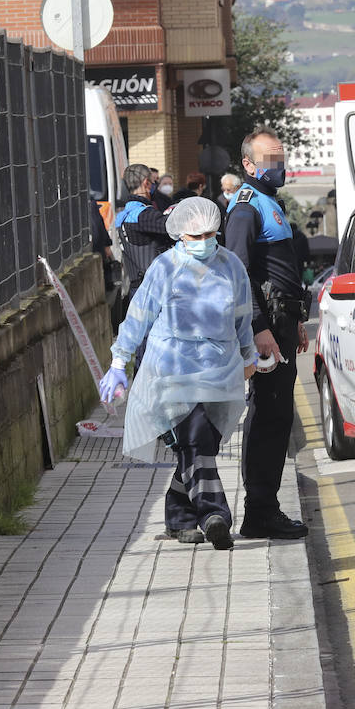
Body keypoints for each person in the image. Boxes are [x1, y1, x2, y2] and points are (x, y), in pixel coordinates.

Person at [99, 198, 257, 549]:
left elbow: (242, 316)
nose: (204, 241)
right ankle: (215, 515)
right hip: (170, 369)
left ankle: (179, 519)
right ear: (180, 234)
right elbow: (139, 315)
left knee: (200, 444)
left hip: (218, 369)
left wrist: (250, 354)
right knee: (196, 437)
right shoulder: (165, 268)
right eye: (196, 236)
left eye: (210, 234)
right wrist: (118, 361)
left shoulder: (230, 266)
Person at [224, 127, 310, 540]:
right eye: (271, 159)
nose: (279, 166)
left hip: (281, 322)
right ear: (249, 164)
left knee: (279, 417)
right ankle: (259, 512)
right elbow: (238, 274)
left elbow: (279, 270)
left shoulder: (268, 201)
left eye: (281, 158)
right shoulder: (245, 208)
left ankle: (265, 507)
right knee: (268, 416)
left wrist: (295, 320)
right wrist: (259, 328)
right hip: (266, 327)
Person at [113, 163, 175, 295]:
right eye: (153, 182)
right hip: (154, 290)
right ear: (146, 183)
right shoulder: (144, 215)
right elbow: (173, 227)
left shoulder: (122, 215)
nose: (155, 186)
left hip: (136, 289)